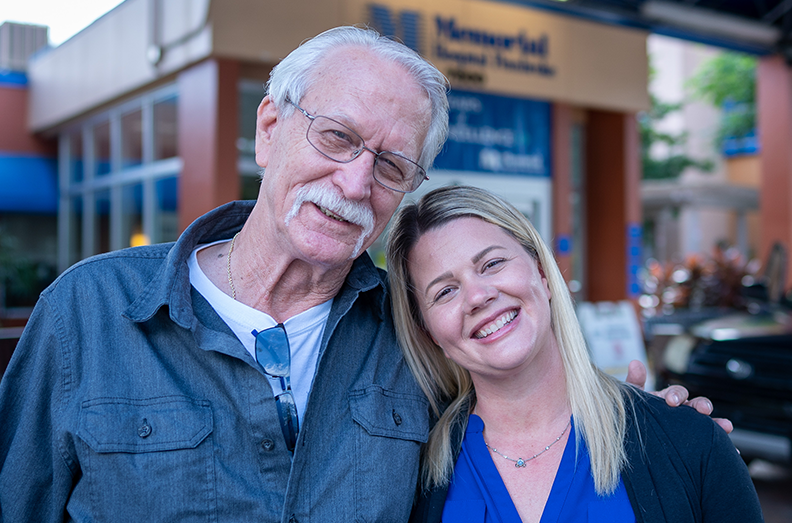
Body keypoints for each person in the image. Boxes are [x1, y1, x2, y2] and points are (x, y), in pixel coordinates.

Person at [0, 26, 719, 523]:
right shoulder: (89, 312)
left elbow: (525, 404)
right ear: (270, 128)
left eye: (390, 165)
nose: (353, 181)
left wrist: (670, 432)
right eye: (337, 137)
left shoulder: (413, 337)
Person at [385, 185, 763, 523]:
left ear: (542, 273)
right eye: (445, 292)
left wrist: (671, 429)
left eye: (492, 264)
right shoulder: (410, 476)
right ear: (428, 332)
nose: (478, 296)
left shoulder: (686, 443)